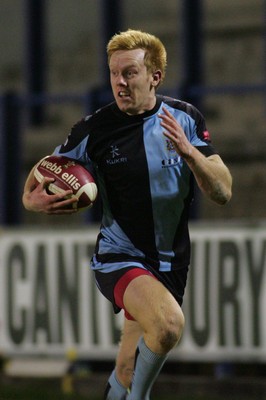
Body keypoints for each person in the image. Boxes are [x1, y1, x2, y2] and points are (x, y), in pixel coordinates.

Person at [22, 29, 232, 400]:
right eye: (114, 73)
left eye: (130, 73)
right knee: (168, 326)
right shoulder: (95, 129)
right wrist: (31, 200)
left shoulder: (184, 119)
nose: (119, 82)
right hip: (120, 258)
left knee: (127, 367)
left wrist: (191, 154)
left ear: (155, 76)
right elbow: (43, 172)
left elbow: (223, 192)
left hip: (171, 263)